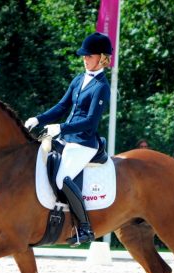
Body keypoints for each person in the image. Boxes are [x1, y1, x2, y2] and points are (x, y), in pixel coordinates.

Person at [24, 32, 112, 247]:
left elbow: (91, 122)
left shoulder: (102, 87)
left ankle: (84, 228)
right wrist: (38, 118)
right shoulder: (79, 79)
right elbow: (62, 107)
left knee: (62, 178)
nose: (84, 59)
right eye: (83, 56)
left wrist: (61, 127)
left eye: (89, 56)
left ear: (101, 58)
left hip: (84, 143)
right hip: (67, 137)